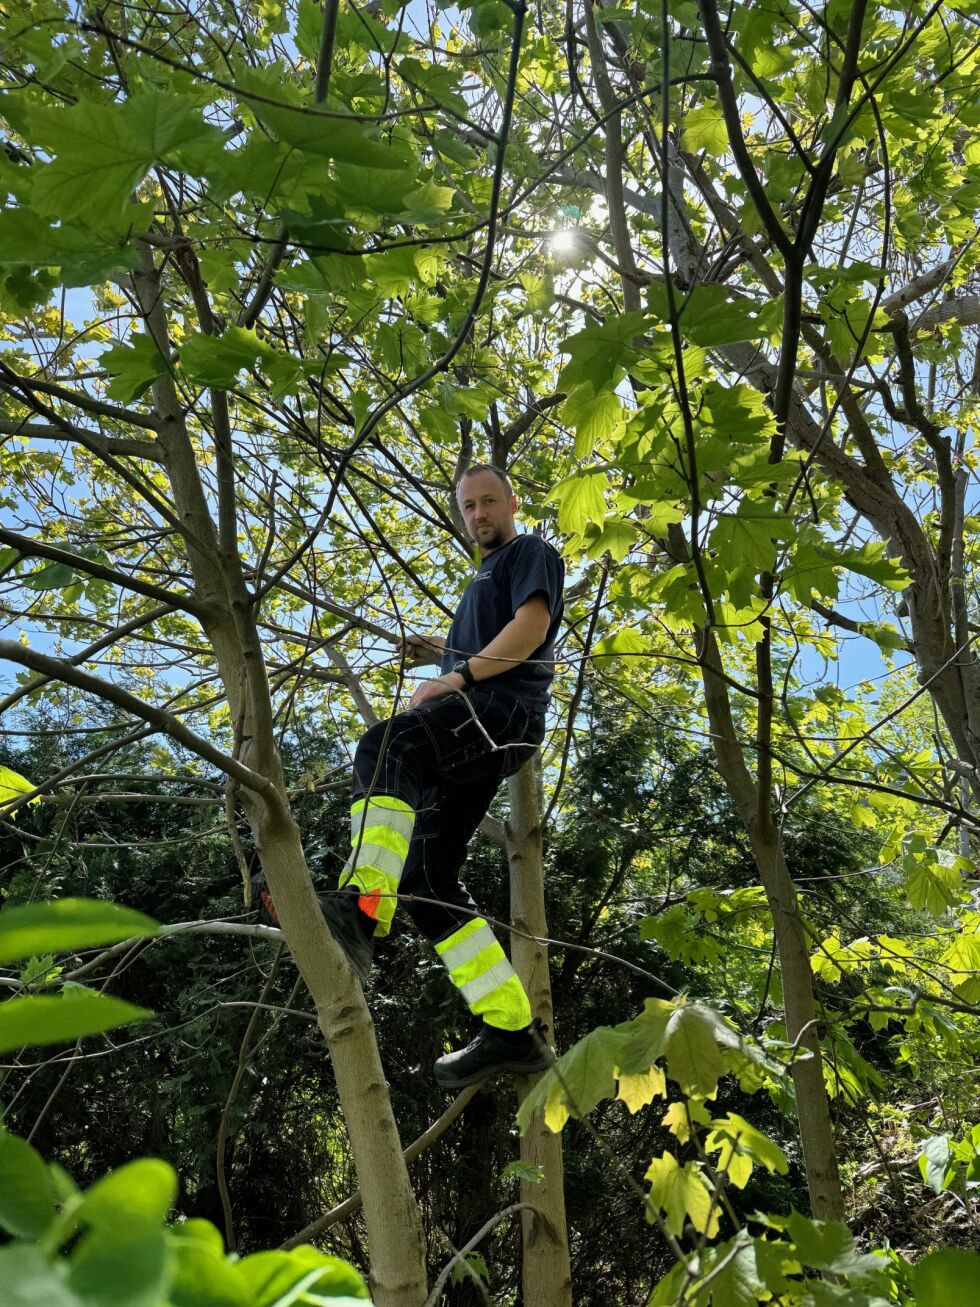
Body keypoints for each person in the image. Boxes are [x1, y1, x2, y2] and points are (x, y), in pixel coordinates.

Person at [319, 463, 564, 1089]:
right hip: (487, 723)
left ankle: (361, 907)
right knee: (428, 877)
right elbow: (491, 636)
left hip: (499, 712)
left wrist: (453, 677)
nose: (479, 514)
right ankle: (510, 1029)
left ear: (512, 502)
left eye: (489, 502)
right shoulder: (482, 580)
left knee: (388, 744)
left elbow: (530, 630)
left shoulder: (529, 552)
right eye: (468, 507)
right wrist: (440, 649)